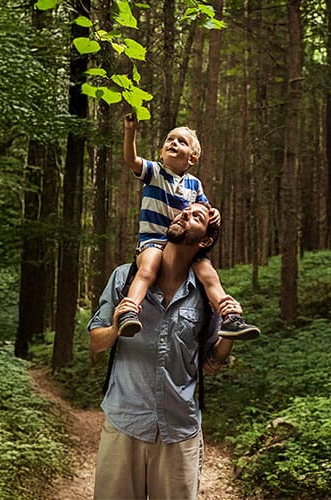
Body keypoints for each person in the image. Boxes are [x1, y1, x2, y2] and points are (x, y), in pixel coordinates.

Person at [88, 202, 239, 500]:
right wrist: (117, 327)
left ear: (205, 240)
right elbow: (95, 342)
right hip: (125, 423)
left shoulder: (206, 296)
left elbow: (211, 365)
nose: (184, 214)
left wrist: (229, 336)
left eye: (196, 216)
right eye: (184, 211)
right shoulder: (125, 278)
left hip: (179, 431)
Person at [118, 114, 259, 341]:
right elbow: (131, 160)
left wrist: (214, 213)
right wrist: (130, 131)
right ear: (162, 152)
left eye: (181, 142)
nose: (173, 143)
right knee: (148, 269)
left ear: (192, 158)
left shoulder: (194, 184)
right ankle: (129, 310)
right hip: (153, 239)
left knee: (208, 273)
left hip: (182, 243)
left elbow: (204, 209)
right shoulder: (154, 172)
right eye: (170, 140)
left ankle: (230, 316)